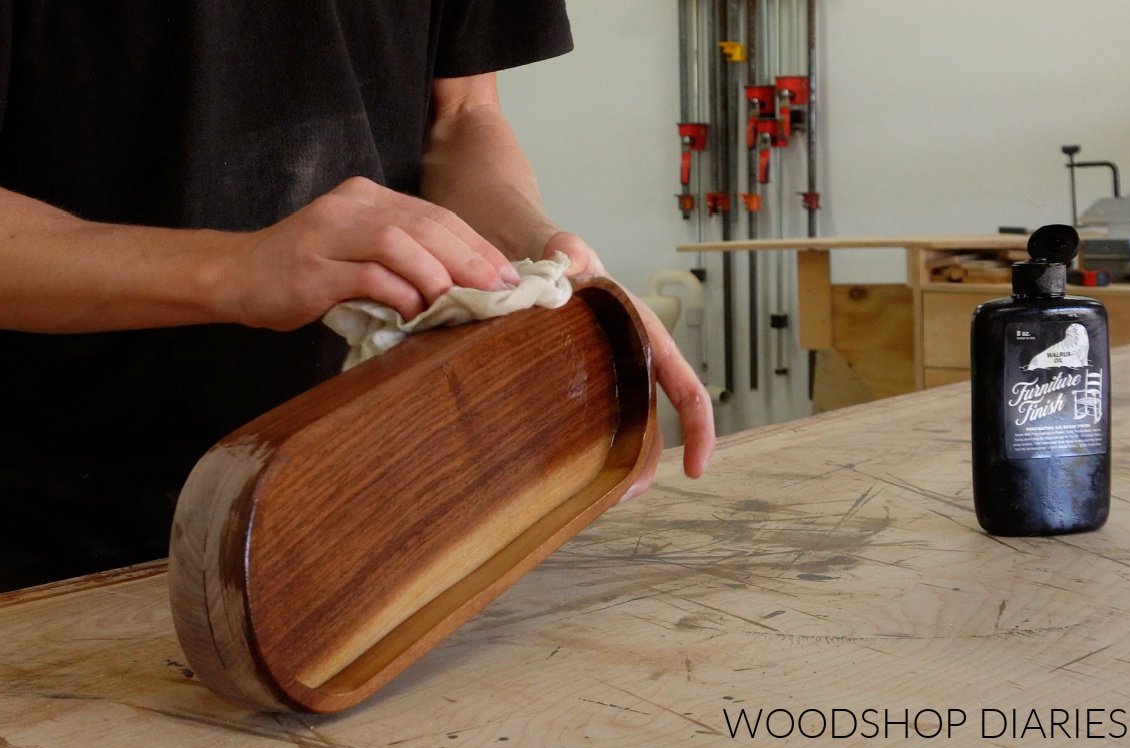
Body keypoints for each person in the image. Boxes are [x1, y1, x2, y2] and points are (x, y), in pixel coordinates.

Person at [0, 3, 715, 590]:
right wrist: (237, 269)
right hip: (59, 543)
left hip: (375, 498)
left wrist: (536, 253)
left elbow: (461, 114)